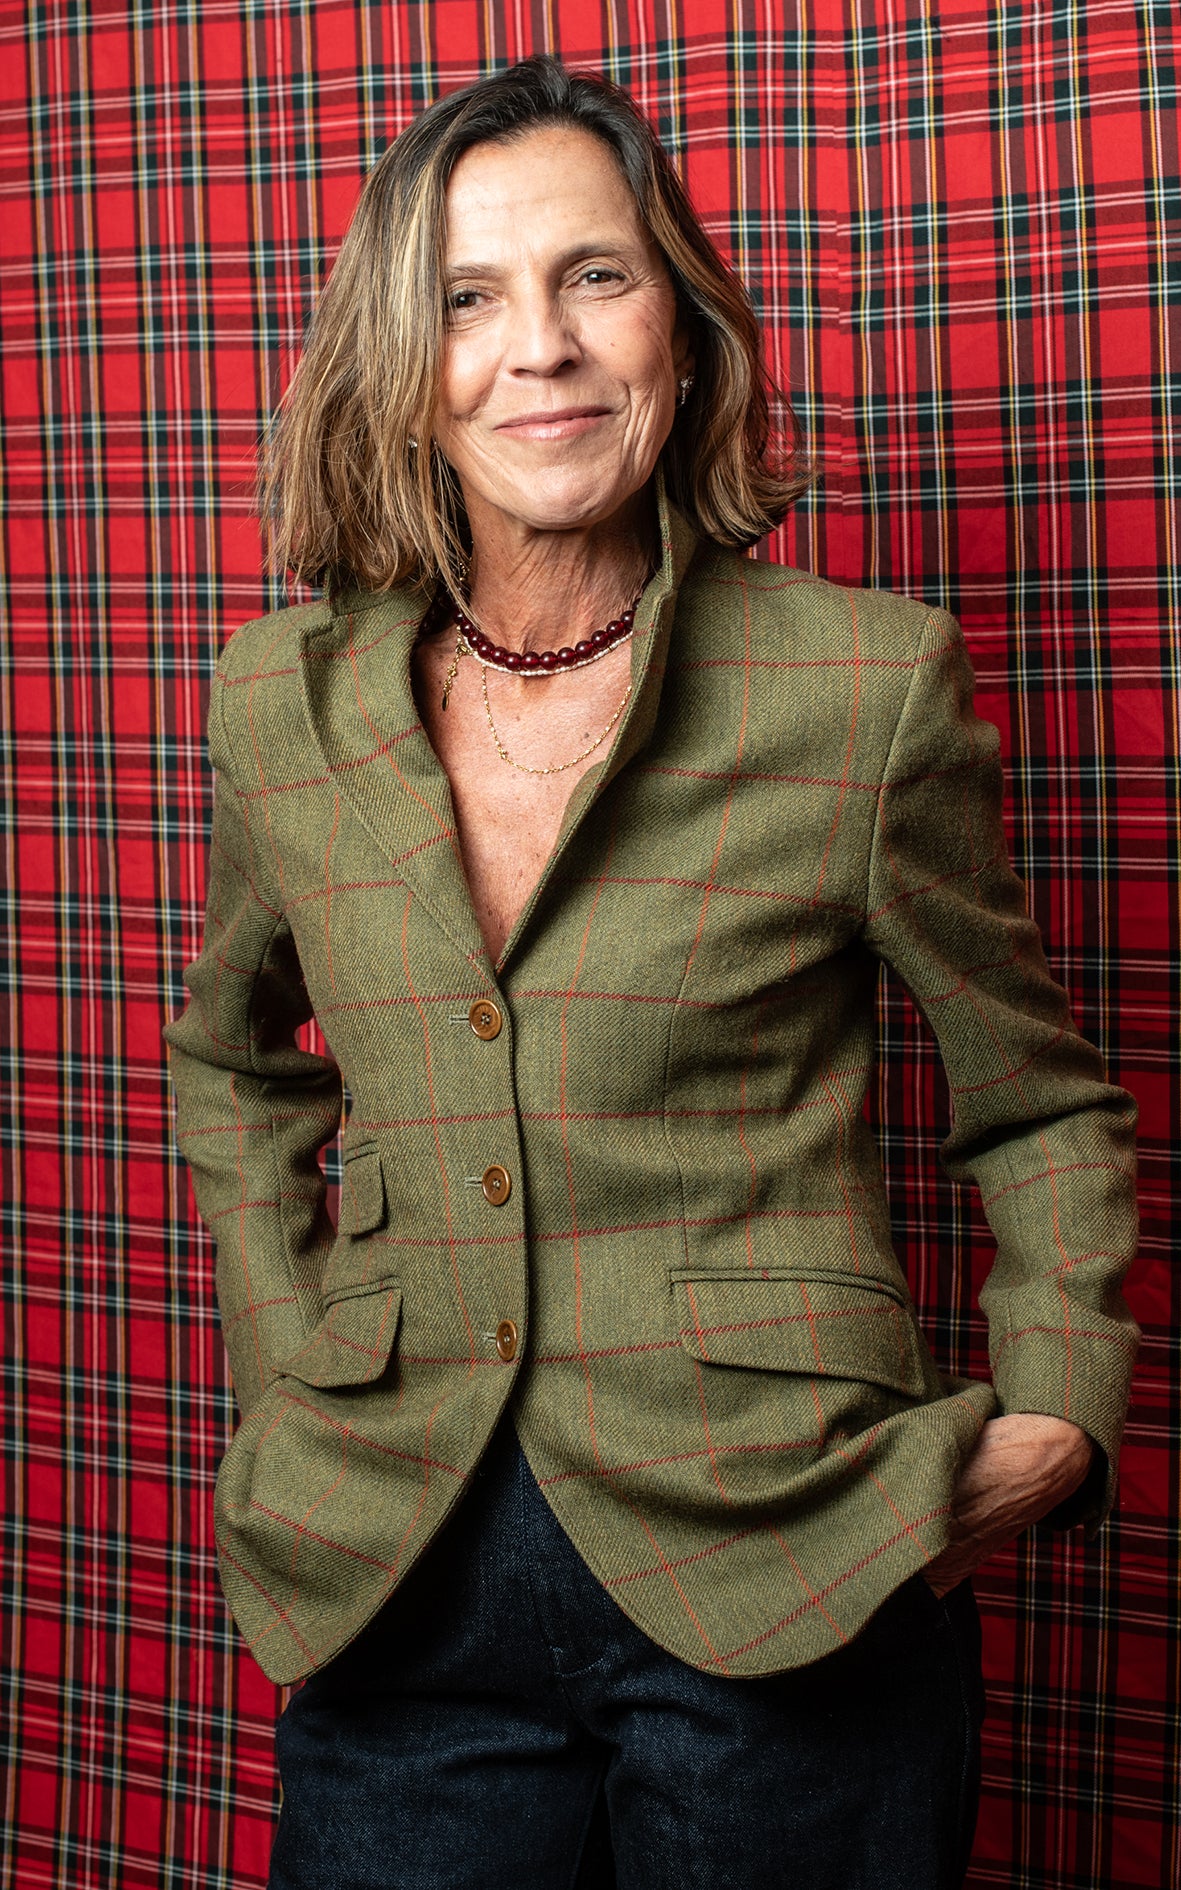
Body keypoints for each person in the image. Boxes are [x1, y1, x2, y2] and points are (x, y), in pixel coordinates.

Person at [164, 54, 1139, 1890]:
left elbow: (1039, 1104)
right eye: (469, 297)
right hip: (393, 1566)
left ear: (679, 333)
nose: (539, 347)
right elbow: (234, 1063)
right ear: (403, 360)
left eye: (593, 277)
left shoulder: (860, 687)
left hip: (791, 1554)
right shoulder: (281, 703)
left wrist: (1054, 1420)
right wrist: (298, 1363)